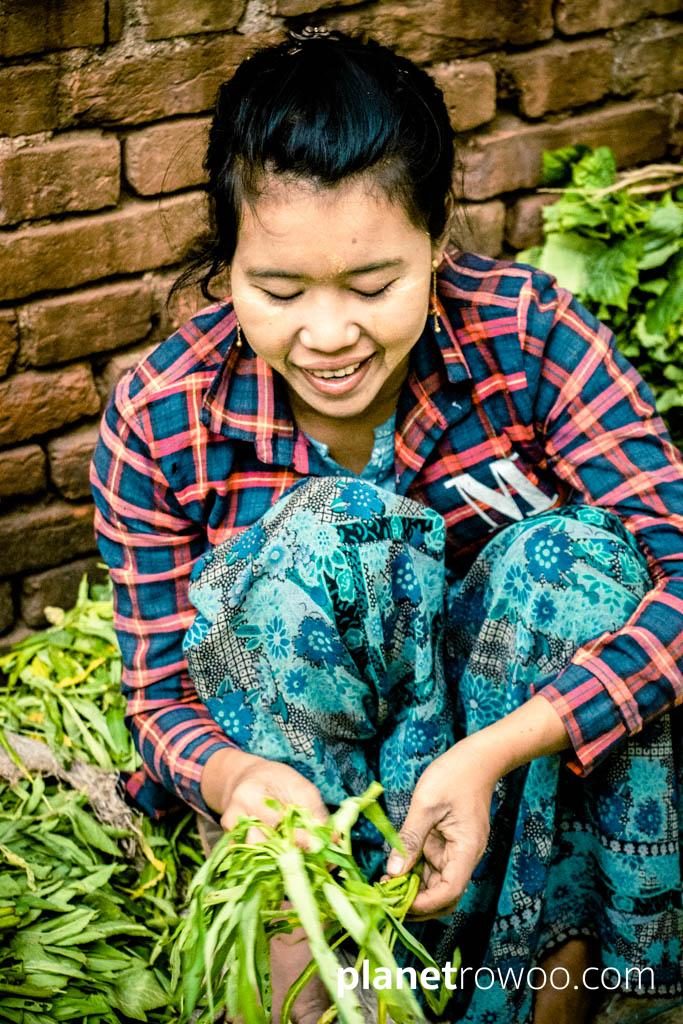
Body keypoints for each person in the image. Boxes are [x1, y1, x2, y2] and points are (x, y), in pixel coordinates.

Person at [90, 27, 682, 1024]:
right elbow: (155, 698)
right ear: (226, 259)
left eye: (372, 286)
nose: (326, 336)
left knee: (572, 559)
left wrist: (499, 748)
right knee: (312, 536)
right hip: (313, 803)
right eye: (276, 291)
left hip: (513, 779)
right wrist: (238, 776)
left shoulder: (525, 334)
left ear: (438, 235)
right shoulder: (163, 415)